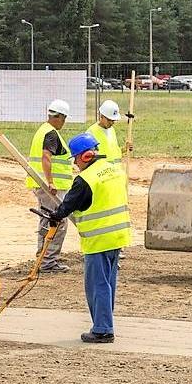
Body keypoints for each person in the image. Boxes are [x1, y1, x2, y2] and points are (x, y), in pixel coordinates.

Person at [42, 131, 130, 343]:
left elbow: (68, 206)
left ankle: (102, 329)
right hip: (118, 236)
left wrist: (54, 215)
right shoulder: (115, 170)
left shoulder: (85, 179)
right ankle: (105, 322)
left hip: (98, 239)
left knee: (97, 285)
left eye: (76, 161)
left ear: (84, 157)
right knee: (108, 283)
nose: (76, 166)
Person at [27, 99, 73, 272]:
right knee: (58, 221)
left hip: (43, 184)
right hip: (50, 186)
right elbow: (46, 157)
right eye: (64, 118)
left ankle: (43, 258)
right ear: (59, 117)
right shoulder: (51, 133)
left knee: (48, 219)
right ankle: (48, 262)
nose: (64, 122)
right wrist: (51, 182)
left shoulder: (43, 130)